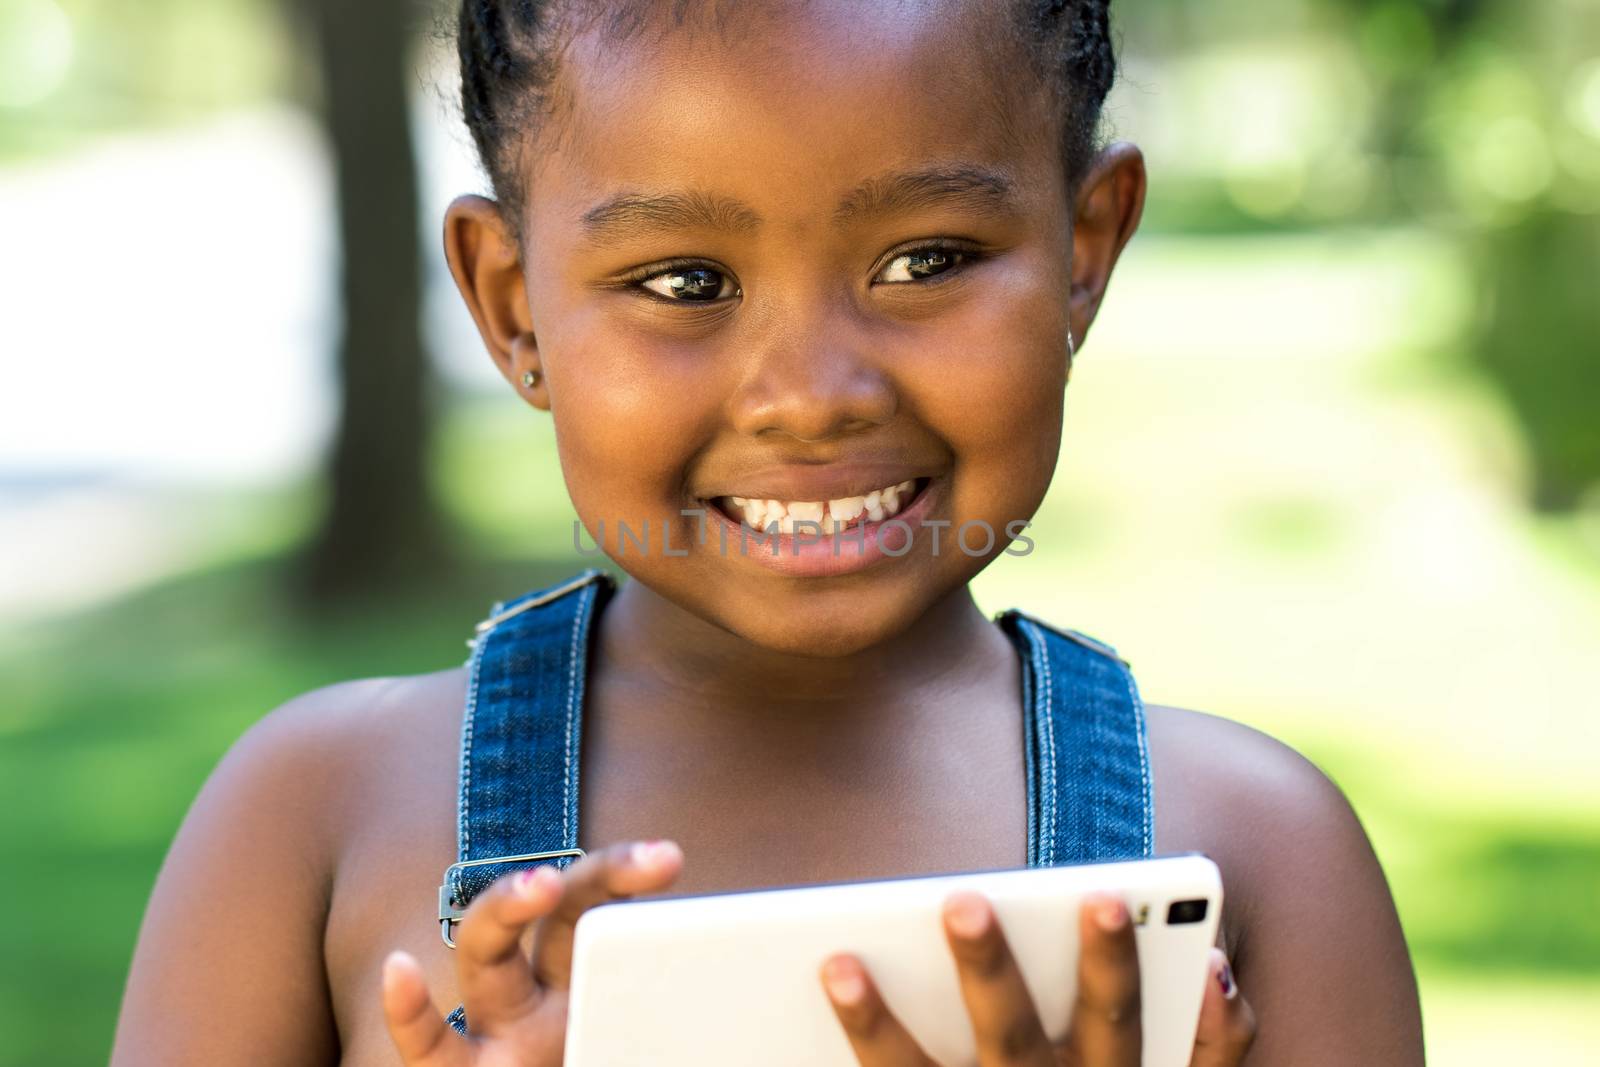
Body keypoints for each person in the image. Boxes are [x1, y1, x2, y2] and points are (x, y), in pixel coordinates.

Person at [110, 1, 1425, 1064]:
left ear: (1085, 249)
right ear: (512, 307)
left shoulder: (1257, 853)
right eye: (685, 282)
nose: (809, 394)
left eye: (926, 261)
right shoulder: (314, 825)